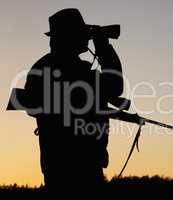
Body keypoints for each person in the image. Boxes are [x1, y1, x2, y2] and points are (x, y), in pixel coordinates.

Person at [24, 8, 123, 191]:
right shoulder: (78, 71)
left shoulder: (41, 67)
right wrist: (104, 49)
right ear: (69, 37)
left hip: (59, 165)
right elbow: (115, 85)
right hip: (82, 166)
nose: (86, 38)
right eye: (81, 33)